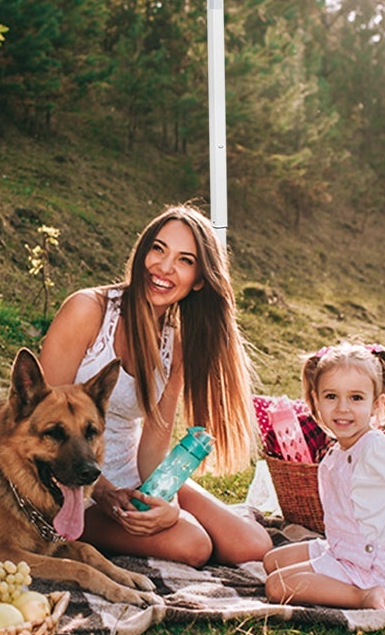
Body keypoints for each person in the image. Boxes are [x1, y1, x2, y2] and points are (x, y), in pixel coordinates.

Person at [38, 205, 273, 567]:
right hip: (71, 477)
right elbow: (40, 420)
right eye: (158, 249)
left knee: (252, 544)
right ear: (142, 251)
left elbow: (154, 445)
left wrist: (170, 503)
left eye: (184, 260)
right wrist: (101, 492)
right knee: (193, 545)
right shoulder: (88, 311)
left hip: (130, 475)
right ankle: (65, 527)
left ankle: (134, 519)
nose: (164, 268)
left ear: (199, 279)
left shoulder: (175, 343)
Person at [262, 341, 385, 609]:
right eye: (331, 396)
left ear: (376, 404)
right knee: (270, 562)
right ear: (316, 401)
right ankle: (337, 578)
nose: (342, 408)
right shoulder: (337, 450)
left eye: (356, 398)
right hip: (343, 549)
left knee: (276, 586)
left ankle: (364, 595)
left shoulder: (376, 447)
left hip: (369, 564)